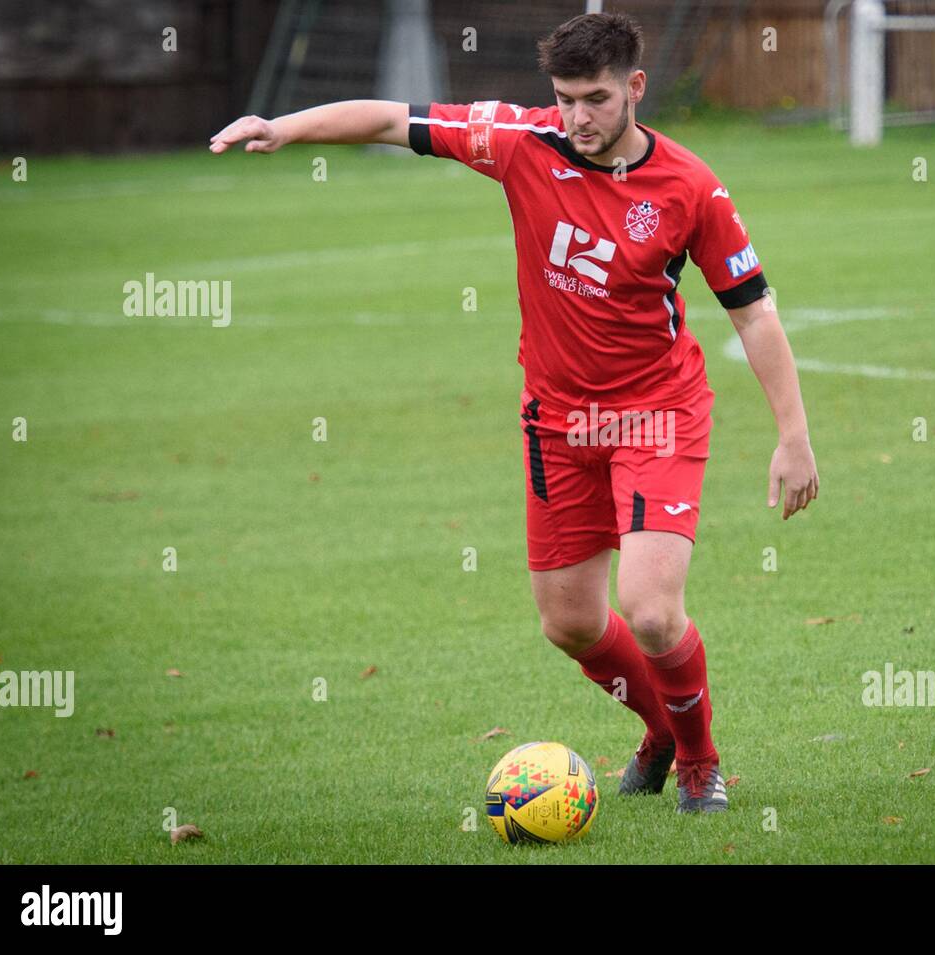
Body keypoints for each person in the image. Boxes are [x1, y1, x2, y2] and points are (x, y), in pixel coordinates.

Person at [210, 11, 818, 814]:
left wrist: (794, 435)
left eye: (596, 98)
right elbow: (396, 119)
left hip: (654, 413)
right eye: (565, 98)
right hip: (557, 423)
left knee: (651, 609)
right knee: (569, 623)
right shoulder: (522, 142)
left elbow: (753, 312)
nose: (578, 118)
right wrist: (283, 128)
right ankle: (661, 729)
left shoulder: (689, 188)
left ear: (635, 88)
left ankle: (701, 761)